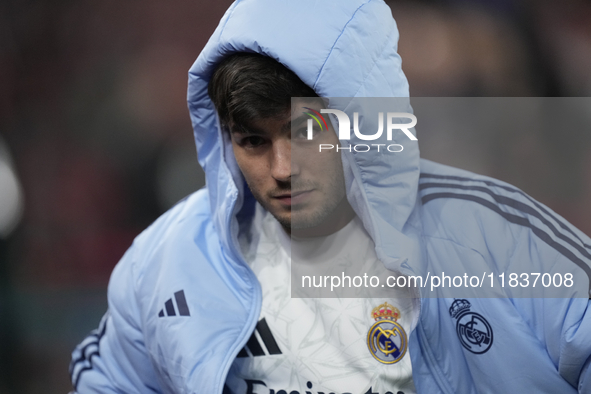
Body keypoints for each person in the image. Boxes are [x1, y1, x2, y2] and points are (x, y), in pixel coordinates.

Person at [69, 0, 591, 393]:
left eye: (306, 132)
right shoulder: (165, 264)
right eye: (253, 140)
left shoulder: (502, 244)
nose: (282, 170)